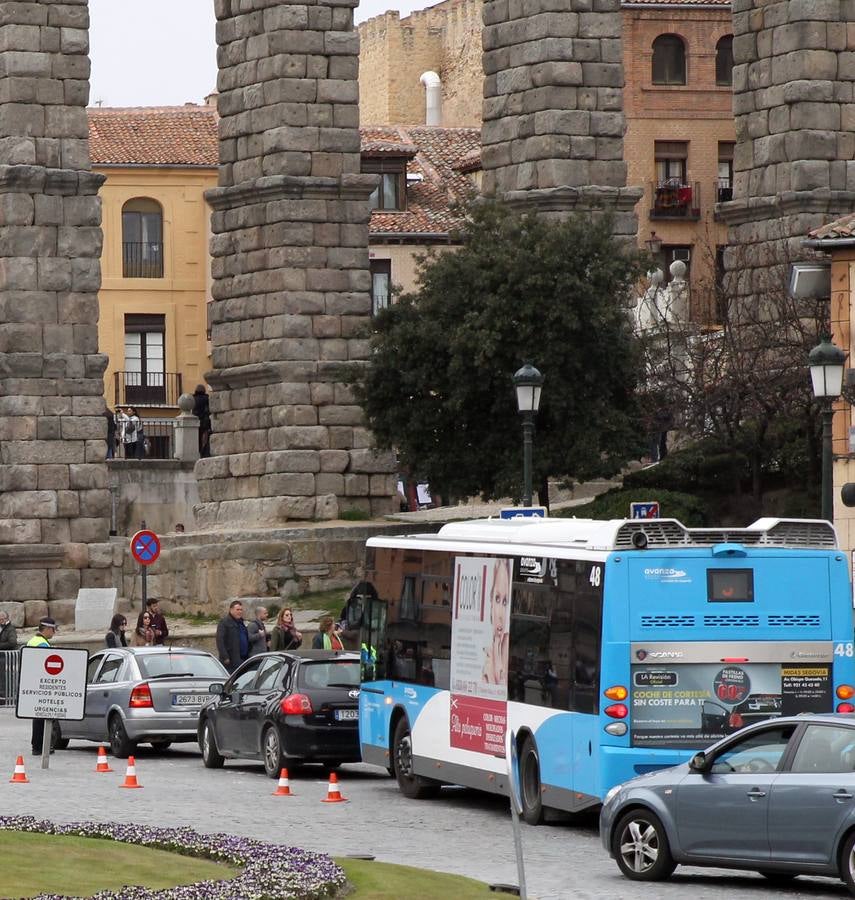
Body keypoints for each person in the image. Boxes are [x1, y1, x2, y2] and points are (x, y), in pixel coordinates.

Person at [26, 617, 57, 755]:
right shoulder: (42, 644)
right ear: (48, 629)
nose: (54, 632)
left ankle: (37, 745)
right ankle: (41, 746)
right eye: (53, 629)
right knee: (44, 717)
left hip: (34, 682)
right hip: (43, 684)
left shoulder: (33, 640)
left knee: (38, 716)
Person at [482, 558, 511, 686]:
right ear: (491, 602)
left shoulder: (507, 645)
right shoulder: (487, 658)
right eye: (497, 599)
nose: (500, 615)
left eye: (505, 602)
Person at [216, 600, 249, 673]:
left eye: (241, 610)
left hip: (243, 659)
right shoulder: (224, 622)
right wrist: (225, 657)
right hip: (231, 661)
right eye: (237, 609)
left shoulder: (241, 623)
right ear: (231, 610)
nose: (240, 612)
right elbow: (220, 641)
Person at [0, 611, 18, 704]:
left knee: (5, 679)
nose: (1, 621)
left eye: (2, 619)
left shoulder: (10, 629)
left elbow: (12, 642)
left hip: (6, 659)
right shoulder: (2, 628)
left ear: (7, 619)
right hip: (3, 657)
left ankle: (4, 698)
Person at [193, 384, 212, 458]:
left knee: (197, 439)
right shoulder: (207, 399)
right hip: (205, 422)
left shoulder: (193, 399)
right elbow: (208, 410)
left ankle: (198, 451)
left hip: (195, 422)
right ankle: (204, 452)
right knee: (205, 439)